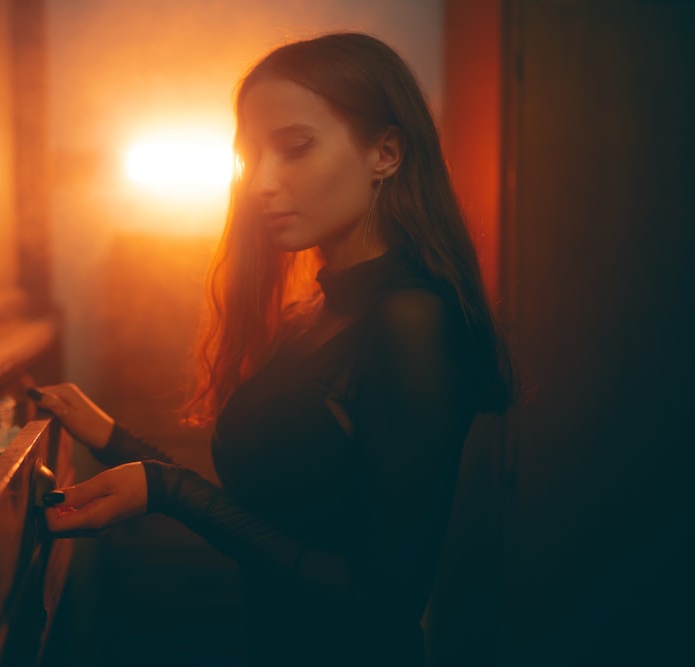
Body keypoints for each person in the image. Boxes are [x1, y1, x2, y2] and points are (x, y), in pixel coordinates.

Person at [30, 31, 518, 666]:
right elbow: (263, 515)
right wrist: (111, 438)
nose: (260, 182)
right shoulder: (312, 314)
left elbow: (384, 599)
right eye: (250, 155)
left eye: (293, 148)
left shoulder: (411, 320)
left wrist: (168, 491)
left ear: (386, 152)